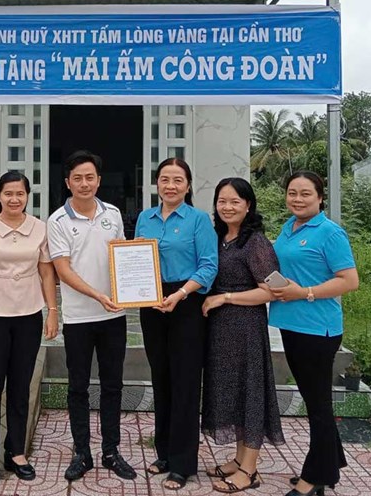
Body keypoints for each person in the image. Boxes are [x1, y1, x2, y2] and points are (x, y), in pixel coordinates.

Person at [0, 171, 60, 487]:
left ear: (27, 196)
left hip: (28, 315)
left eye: (20, 193)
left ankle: (16, 451)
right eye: (8, 193)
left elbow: (47, 274)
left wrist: (52, 311)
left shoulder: (39, 229)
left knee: (20, 386)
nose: (14, 199)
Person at [47, 150, 137, 482]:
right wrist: (98, 295)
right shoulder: (56, 221)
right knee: (78, 387)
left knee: (113, 385)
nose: (84, 183)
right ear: (67, 181)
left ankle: (111, 451)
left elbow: (124, 258)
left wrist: (137, 290)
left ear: (99, 180)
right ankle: (82, 452)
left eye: (90, 177)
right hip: (79, 318)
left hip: (114, 316)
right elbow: (63, 271)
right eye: (77, 178)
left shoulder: (112, 213)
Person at [268, 171, 359, 496]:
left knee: (318, 403)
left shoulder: (330, 233)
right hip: (291, 325)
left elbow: (349, 280)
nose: (297, 199)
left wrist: (305, 292)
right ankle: (329, 466)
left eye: (305, 194)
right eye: (292, 193)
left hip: (318, 329)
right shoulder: (288, 228)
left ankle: (314, 478)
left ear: (320, 197)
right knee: (314, 399)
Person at [134, 157, 218, 491]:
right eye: (165, 179)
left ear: (188, 185)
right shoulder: (145, 217)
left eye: (178, 180)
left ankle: (183, 464)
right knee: (161, 378)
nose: (170, 185)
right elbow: (137, 258)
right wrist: (140, 290)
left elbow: (209, 266)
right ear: (156, 183)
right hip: (151, 302)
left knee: (185, 383)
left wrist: (181, 294)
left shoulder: (199, 220)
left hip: (187, 302)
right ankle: (164, 452)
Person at [200, 177, 286, 494]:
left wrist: (225, 298)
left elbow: (272, 291)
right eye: (222, 201)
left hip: (246, 327)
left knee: (250, 393)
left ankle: (249, 470)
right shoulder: (221, 238)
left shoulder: (255, 243)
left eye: (235, 201)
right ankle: (238, 460)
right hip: (221, 330)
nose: (228, 207)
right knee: (233, 393)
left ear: (248, 205)